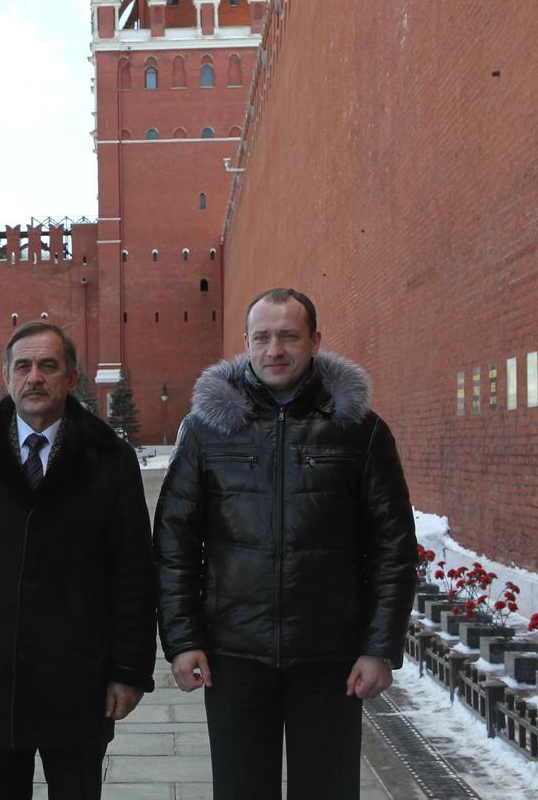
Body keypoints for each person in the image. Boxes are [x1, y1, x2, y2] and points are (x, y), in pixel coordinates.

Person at [154, 287, 416, 800]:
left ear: (315, 340)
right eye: (263, 337)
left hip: (330, 658)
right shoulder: (207, 430)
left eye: (289, 336)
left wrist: (380, 647)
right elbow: (173, 542)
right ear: (246, 343)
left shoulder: (359, 430)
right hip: (234, 656)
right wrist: (183, 639)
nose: (275, 349)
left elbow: (393, 547)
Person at [0, 320, 157, 800]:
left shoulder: (109, 457)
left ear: (71, 377)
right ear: (6, 376)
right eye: (23, 366)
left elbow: (132, 572)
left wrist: (129, 670)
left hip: (78, 676)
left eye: (48, 366)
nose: (35, 378)